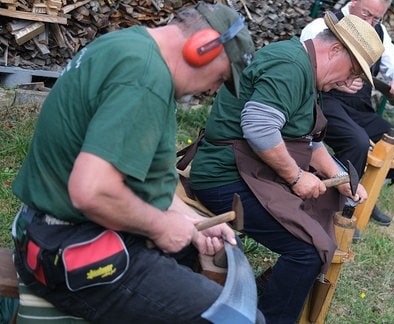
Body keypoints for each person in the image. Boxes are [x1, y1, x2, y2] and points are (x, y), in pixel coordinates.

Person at [10, 2, 266, 323]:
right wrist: (161, 226)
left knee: (218, 253)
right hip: (70, 247)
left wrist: (187, 220)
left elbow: (137, 180)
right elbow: (91, 192)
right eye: (222, 78)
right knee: (238, 318)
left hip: (53, 229)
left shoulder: (129, 46)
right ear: (202, 48)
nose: (214, 90)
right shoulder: (145, 80)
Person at [188, 13, 382, 323]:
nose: (349, 81)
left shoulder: (305, 68)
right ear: (335, 51)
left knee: (324, 206)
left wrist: (336, 175)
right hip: (225, 176)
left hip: (252, 171)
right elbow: (259, 127)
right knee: (307, 250)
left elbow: (307, 141)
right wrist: (295, 177)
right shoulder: (291, 66)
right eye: (353, 70)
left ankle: (271, 287)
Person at [300, 0, 394, 228]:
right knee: (357, 142)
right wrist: (337, 81)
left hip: (359, 108)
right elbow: (306, 65)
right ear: (353, 2)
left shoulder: (378, 32)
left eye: (377, 18)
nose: (370, 23)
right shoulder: (325, 24)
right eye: (367, 14)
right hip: (326, 101)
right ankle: (335, 204)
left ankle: (365, 194)